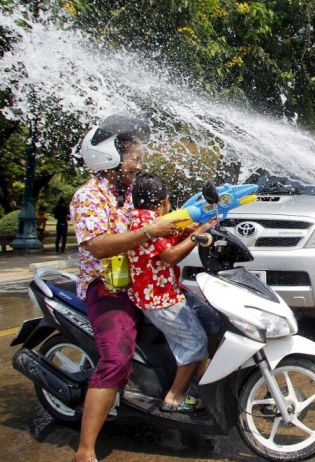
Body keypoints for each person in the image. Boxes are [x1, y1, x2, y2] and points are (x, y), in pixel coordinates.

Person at [70, 115, 178, 462]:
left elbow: (161, 216)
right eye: (134, 157)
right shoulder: (88, 197)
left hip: (140, 282)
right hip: (106, 289)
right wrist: (149, 233)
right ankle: (85, 450)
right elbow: (99, 246)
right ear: (110, 159)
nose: (139, 164)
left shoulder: (132, 192)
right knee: (116, 359)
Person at [127, 172, 211, 412]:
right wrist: (198, 234)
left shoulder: (144, 217)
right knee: (196, 342)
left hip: (165, 293)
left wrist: (188, 231)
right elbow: (170, 256)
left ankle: (199, 384)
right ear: (163, 200)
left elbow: (169, 238)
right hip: (159, 299)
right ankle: (174, 397)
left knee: (210, 324)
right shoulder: (148, 222)